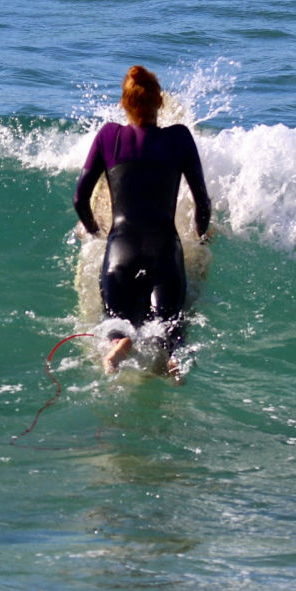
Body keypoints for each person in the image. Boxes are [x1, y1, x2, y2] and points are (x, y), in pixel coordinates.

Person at [73, 65, 212, 376]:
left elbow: (79, 200)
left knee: (117, 324)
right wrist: (202, 237)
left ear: (125, 104)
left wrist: (97, 233)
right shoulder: (179, 138)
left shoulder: (109, 136)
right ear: (159, 103)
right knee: (170, 329)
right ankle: (173, 359)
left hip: (119, 250)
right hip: (165, 250)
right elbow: (202, 203)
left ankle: (119, 345)